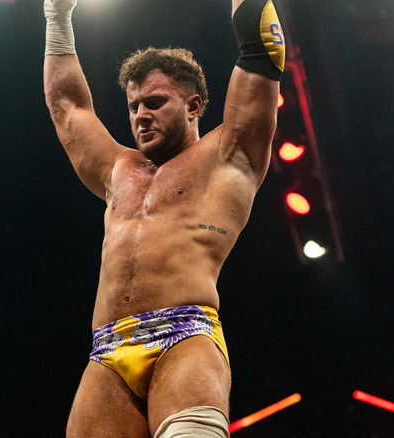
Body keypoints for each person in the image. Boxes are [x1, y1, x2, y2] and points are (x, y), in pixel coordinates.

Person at [43, 0, 285, 436]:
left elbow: (262, 48)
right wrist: (56, 17)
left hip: (185, 334)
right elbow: (68, 107)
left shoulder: (228, 156)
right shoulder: (120, 170)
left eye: (155, 102)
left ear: (194, 106)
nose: (140, 115)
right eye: (134, 105)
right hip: (107, 352)